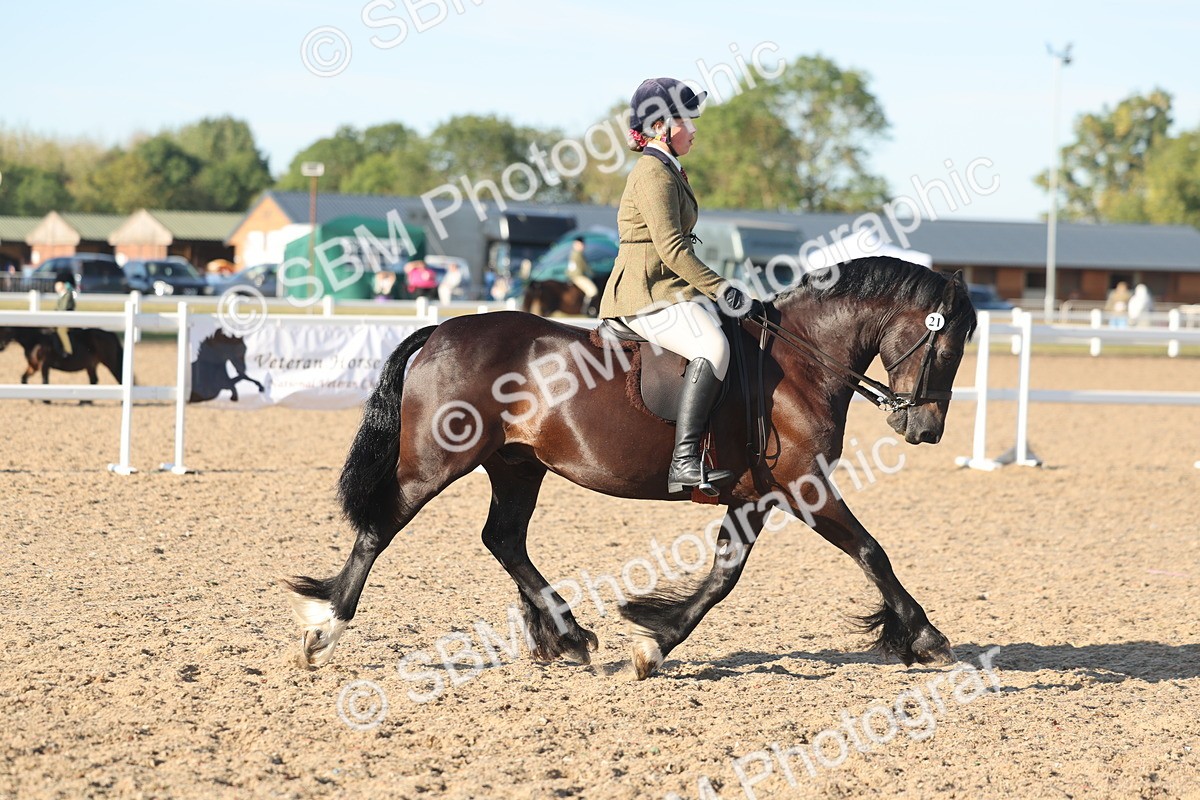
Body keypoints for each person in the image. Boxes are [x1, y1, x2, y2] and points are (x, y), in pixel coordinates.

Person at [598, 77, 759, 495]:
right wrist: (721, 287)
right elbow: (671, 249)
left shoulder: (668, 169)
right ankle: (684, 462)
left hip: (667, 289)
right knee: (714, 348)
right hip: (645, 294)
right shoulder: (653, 173)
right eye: (688, 119)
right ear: (660, 126)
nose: (694, 128)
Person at [565, 236, 598, 312]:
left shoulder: (576, 253)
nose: (582, 246)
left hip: (576, 275)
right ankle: (586, 310)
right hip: (578, 276)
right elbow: (582, 267)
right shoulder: (577, 254)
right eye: (580, 244)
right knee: (592, 291)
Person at [53, 269, 80, 359]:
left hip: (68, 319)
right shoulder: (62, 295)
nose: (55, 286)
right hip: (62, 318)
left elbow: (64, 307)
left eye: (58, 283)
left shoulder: (68, 295)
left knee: (61, 331)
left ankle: (68, 350)